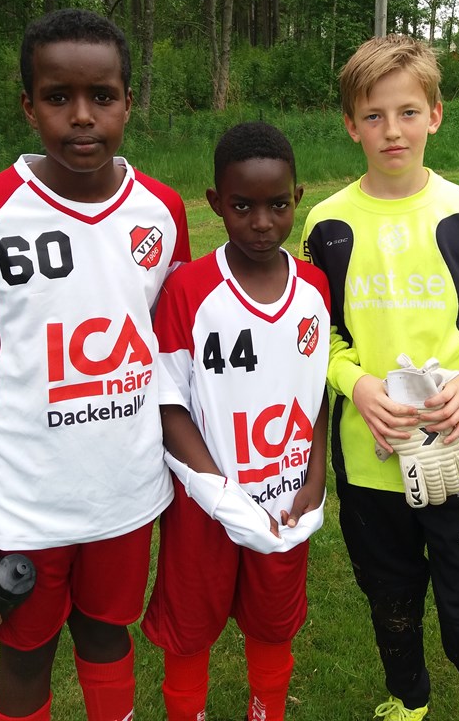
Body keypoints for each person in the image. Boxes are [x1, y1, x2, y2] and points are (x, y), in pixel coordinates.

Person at [300, 34, 459, 721]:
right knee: (390, 597)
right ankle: (408, 699)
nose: (392, 130)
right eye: (373, 115)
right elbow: (312, 336)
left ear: (435, 114)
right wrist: (355, 383)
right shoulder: (326, 224)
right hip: (369, 464)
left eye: (407, 112)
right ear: (351, 125)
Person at [0, 8, 190, 721]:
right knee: (25, 650)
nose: (82, 116)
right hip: (23, 497)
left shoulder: (162, 210)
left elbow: (173, 349)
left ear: (128, 102)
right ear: (29, 105)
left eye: (101, 96)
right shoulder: (0, 209)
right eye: (58, 97)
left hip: (124, 488)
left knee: (107, 632)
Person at [142, 121, 331, 721]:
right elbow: (167, 403)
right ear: (215, 202)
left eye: (278, 205)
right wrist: (221, 498)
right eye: (242, 206)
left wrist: (316, 477)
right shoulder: (189, 290)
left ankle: (265, 710)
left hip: (284, 500)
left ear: (297, 198)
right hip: (205, 507)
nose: (262, 223)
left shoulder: (315, 288)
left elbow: (317, 392)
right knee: (189, 632)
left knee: (274, 625)